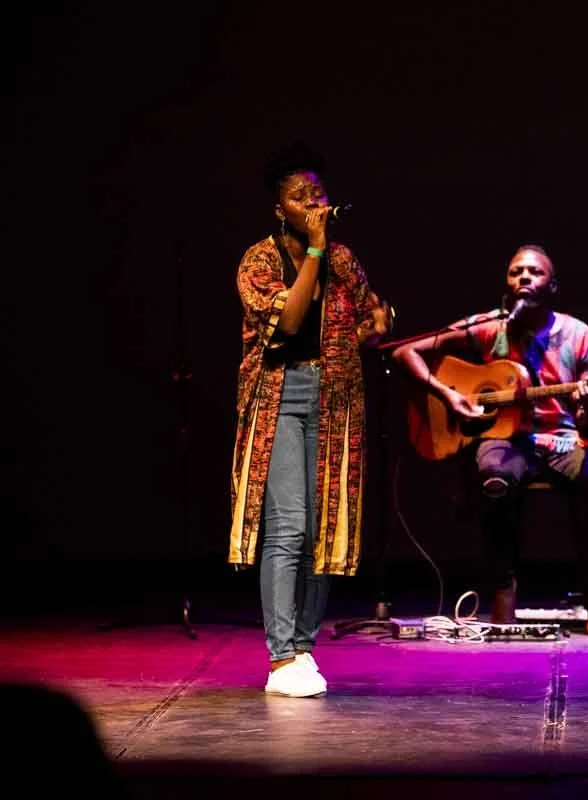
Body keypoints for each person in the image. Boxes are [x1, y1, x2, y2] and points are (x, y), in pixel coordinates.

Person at [392, 244, 588, 638]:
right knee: (493, 480)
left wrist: (587, 407)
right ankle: (503, 596)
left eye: (534, 272)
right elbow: (406, 352)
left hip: (563, 438)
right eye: (515, 272)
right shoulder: (489, 327)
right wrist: (447, 394)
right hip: (505, 437)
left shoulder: (578, 335)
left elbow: (587, 425)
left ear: (552, 285)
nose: (524, 277)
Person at [229, 141, 394, 697]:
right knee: (290, 526)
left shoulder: (345, 259)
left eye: (318, 194)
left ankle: (303, 649)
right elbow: (290, 319)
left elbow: (372, 314)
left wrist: (375, 323)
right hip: (280, 396)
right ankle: (280, 659)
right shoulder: (259, 260)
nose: (314, 203)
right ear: (281, 209)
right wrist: (318, 252)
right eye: (301, 197)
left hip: (335, 398)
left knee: (326, 530)